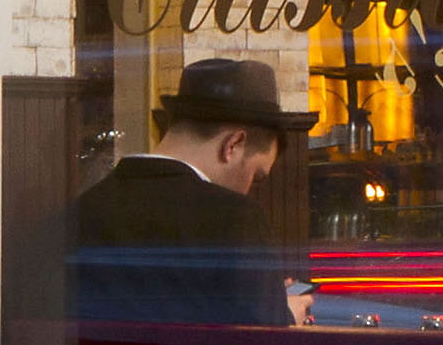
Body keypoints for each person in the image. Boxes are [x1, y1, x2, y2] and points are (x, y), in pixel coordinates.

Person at [74, 57, 307, 327]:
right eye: (256, 177)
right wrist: (284, 314)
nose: (248, 191)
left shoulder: (74, 215)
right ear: (234, 144)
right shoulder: (237, 220)